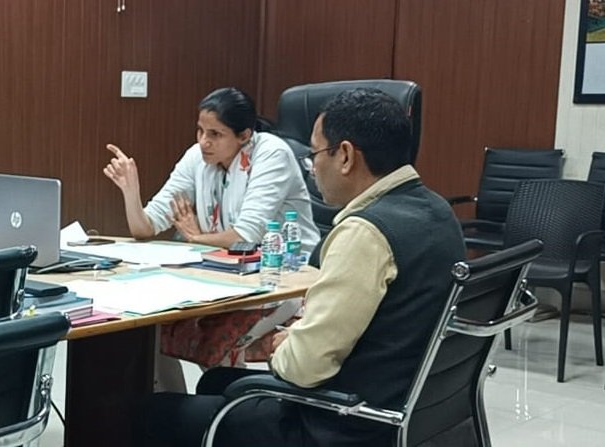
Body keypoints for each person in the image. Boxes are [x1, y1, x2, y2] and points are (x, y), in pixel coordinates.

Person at [143, 88, 466, 446]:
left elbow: (304, 367)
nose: (312, 170)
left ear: (345, 156)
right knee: (215, 382)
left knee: (147, 414)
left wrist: (284, 344)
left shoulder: (366, 233)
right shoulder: (438, 211)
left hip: (340, 424)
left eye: (314, 155)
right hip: (411, 411)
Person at [103, 87, 320, 388]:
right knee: (151, 326)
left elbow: (245, 236)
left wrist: (195, 237)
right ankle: (168, 406)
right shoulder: (197, 157)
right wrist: (131, 191)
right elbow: (145, 228)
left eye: (215, 134)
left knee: (219, 338)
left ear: (244, 136)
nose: (203, 141)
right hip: (220, 277)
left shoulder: (271, 154)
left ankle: (226, 406)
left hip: (284, 280)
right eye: (200, 131)